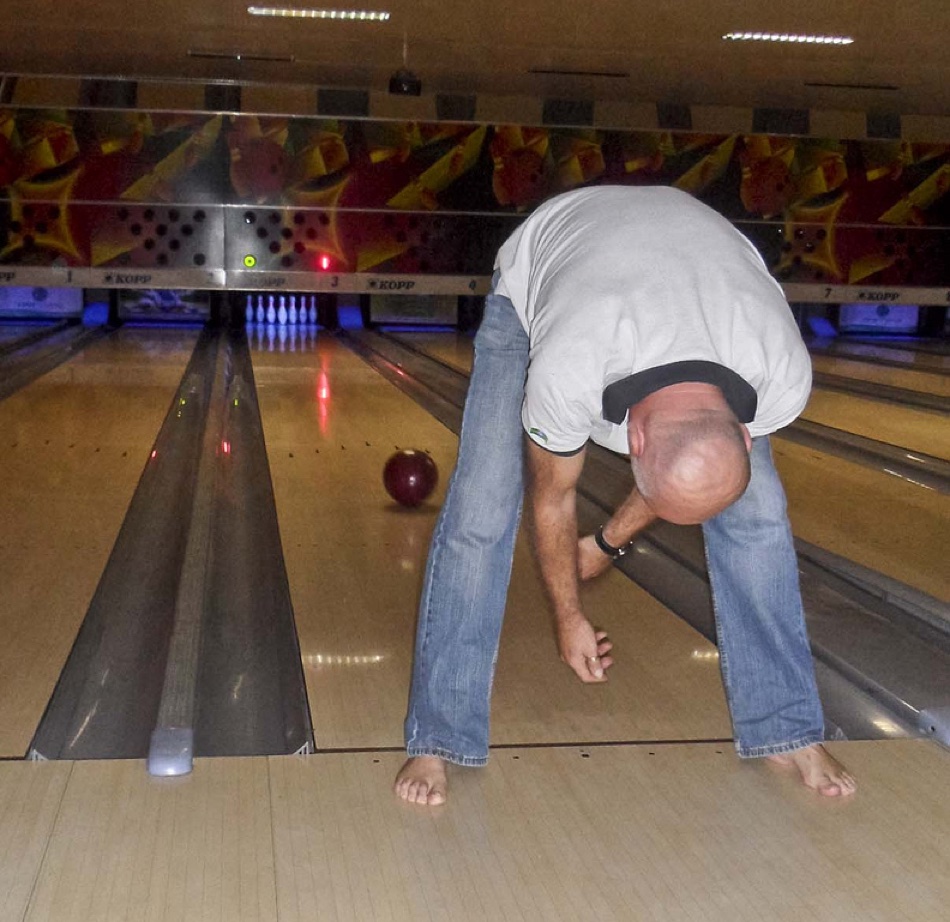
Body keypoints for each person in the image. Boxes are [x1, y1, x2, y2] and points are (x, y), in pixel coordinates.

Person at [394, 185, 856, 806]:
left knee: (758, 515)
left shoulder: (780, 372)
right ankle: (438, 738)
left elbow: (686, 479)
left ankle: (786, 727)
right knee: (482, 509)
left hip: (707, 272)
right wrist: (568, 614)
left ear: (744, 433)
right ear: (631, 439)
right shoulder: (570, 369)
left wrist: (608, 543)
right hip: (541, 275)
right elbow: (553, 495)